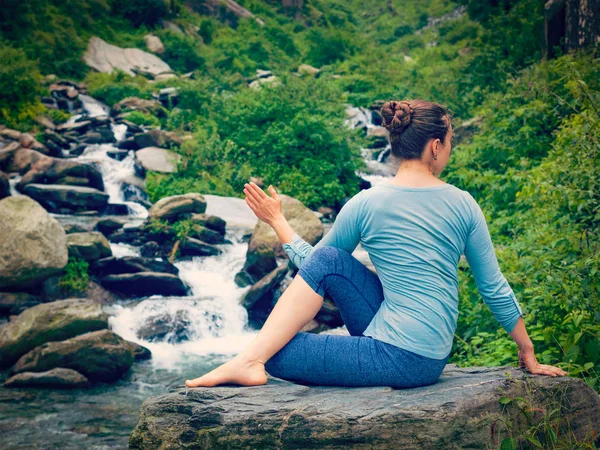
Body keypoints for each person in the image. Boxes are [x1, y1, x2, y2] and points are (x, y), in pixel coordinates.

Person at [185, 99, 567, 389]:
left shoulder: (365, 202)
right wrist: (527, 351)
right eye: (450, 142)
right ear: (435, 147)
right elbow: (493, 287)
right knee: (326, 267)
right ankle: (250, 361)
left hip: (403, 358)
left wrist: (278, 222)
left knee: (274, 350)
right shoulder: (463, 203)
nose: (449, 149)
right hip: (420, 350)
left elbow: (312, 265)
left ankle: (248, 360)